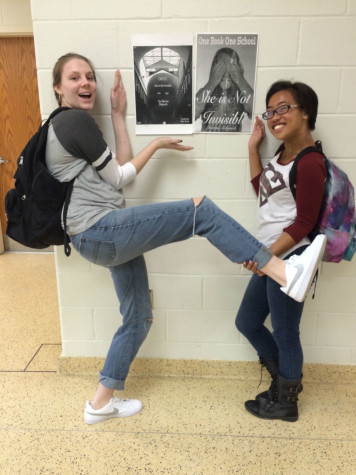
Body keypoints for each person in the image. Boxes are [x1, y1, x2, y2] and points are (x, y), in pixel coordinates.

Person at [48, 54, 326, 425]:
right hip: (100, 229)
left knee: (138, 318)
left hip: (99, 236)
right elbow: (119, 179)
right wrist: (159, 143)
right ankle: (283, 271)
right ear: (57, 87)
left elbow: (119, 170)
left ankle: (100, 403)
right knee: (201, 210)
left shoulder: (74, 125)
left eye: (89, 77)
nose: (85, 83)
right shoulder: (73, 121)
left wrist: (117, 115)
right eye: (73, 78)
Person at [235, 81, 327, 422]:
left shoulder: (310, 162)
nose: (275, 116)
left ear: (306, 112)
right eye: (270, 110)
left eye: (283, 107)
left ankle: (287, 401)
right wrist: (253, 148)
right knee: (247, 321)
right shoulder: (281, 155)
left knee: (286, 331)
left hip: (290, 258)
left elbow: (304, 222)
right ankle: (281, 380)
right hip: (271, 255)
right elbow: (263, 191)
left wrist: (265, 258)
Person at [195, 47, 253, 132]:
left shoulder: (242, 93)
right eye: (221, 67)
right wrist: (212, 82)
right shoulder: (205, 92)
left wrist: (240, 79)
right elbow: (192, 114)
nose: (226, 74)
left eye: (231, 67)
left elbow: (255, 110)